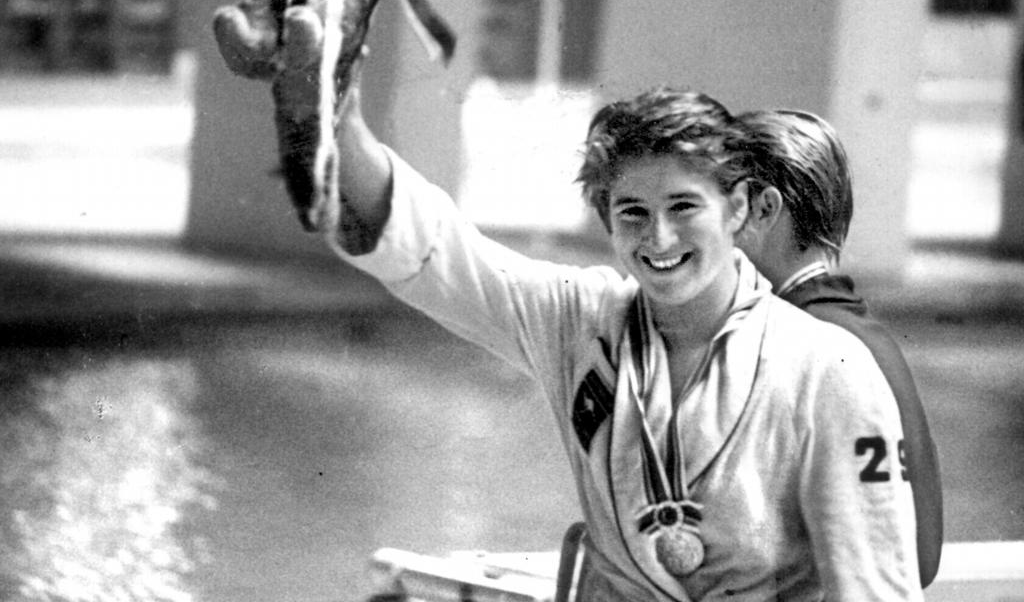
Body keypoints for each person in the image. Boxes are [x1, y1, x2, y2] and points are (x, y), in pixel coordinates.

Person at [324, 61, 923, 600]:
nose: (658, 239)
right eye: (632, 212)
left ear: (738, 208)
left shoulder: (828, 368)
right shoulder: (581, 320)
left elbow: (874, 590)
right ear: (606, 218)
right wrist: (337, 117)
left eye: (684, 207)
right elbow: (439, 255)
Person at [733, 109, 943, 588]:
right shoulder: (866, 336)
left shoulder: (796, 342)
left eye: (715, 208)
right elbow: (919, 557)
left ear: (764, 209)